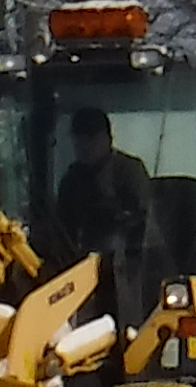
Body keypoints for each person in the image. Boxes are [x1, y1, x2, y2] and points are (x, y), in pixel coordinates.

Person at [45, 108, 155, 325]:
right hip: (82, 265)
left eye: (91, 139)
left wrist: (113, 218)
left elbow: (145, 220)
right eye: (79, 140)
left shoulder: (129, 171)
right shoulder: (72, 179)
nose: (84, 147)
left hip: (130, 265)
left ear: (107, 138)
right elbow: (61, 224)